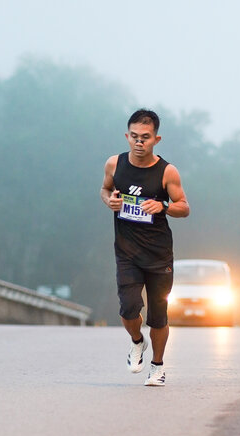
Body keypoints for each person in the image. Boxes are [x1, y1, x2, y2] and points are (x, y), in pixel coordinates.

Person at [100, 109, 190, 386]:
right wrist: (110, 201)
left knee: (158, 316)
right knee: (128, 309)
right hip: (126, 252)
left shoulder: (167, 171)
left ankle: (157, 367)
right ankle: (137, 341)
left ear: (156, 139)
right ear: (127, 136)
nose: (139, 142)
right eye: (134, 137)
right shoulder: (114, 164)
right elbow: (105, 190)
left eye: (145, 138)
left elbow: (184, 207)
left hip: (158, 254)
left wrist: (163, 205)